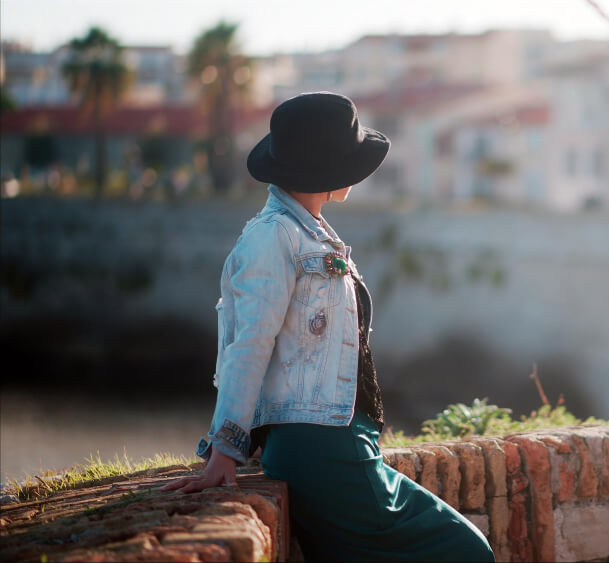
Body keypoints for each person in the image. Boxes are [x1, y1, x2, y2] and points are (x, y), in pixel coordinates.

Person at [162, 92, 495, 562]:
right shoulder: (273, 235)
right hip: (323, 451)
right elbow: (250, 343)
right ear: (325, 169)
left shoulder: (308, 231)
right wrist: (226, 449)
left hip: (344, 445)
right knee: (466, 552)